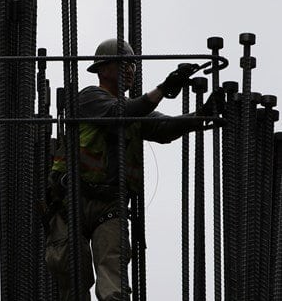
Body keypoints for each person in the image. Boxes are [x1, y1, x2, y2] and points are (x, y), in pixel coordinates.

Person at [44, 39, 223, 301]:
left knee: (114, 287)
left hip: (110, 206)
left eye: (133, 65)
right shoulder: (90, 98)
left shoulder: (134, 110)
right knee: (73, 282)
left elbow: (163, 127)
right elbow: (122, 112)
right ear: (103, 69)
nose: (130, 70)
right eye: (123, 63)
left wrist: (201, 116)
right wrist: (163, 89)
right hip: (72, 202)